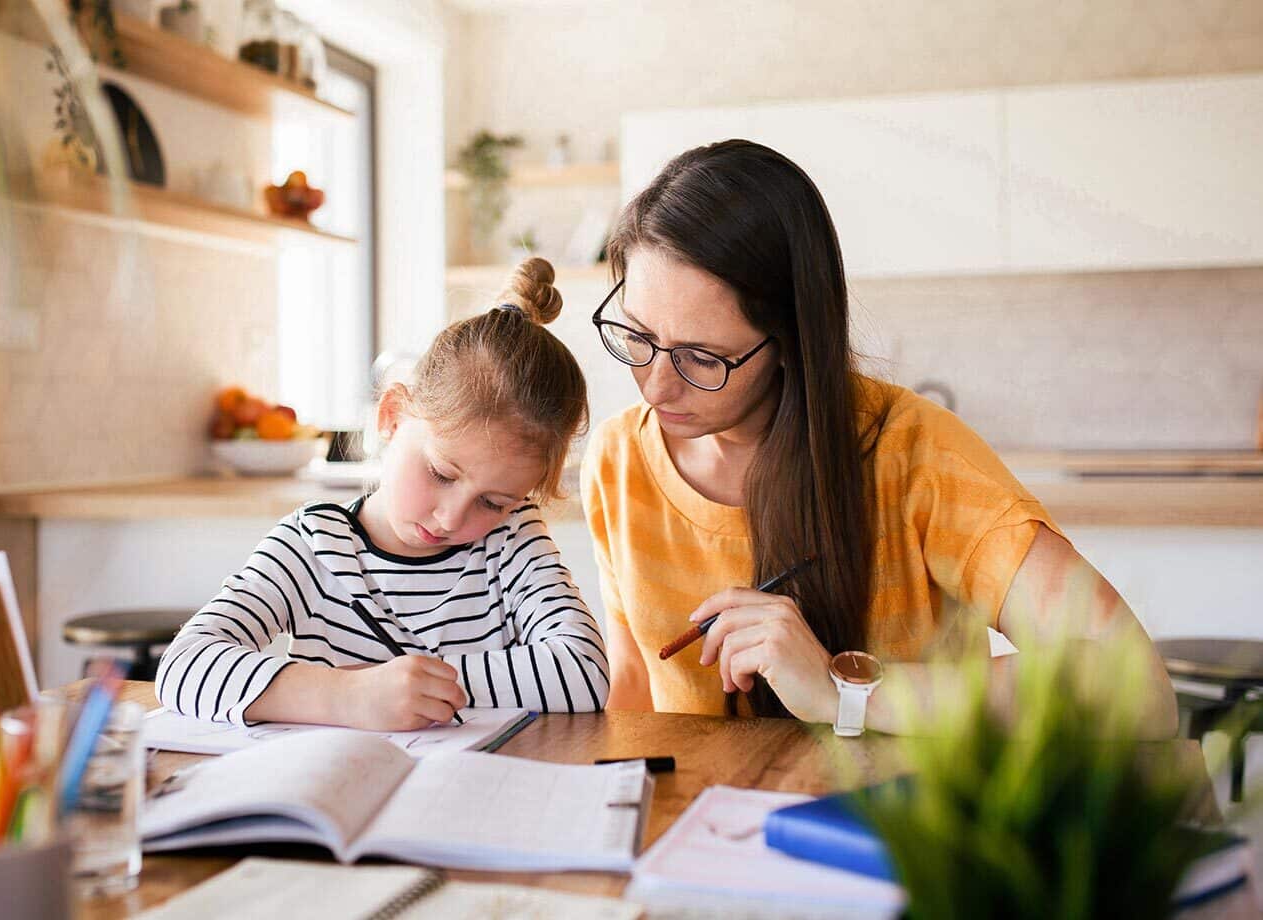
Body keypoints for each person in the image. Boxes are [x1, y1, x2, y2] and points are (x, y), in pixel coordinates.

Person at [580, 140, 1176, 737]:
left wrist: (843, 690)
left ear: (789, 340)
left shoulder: (915, 455)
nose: (655, 388)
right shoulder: (616, 459)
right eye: (636, 335)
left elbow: (1137, 688)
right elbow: (634, 696)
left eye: (702, 358)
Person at [157, 258, 608, 730]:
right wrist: (346, 695)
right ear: (392, 416)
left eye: (493, 502)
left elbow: (585, 670)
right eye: (441, 473)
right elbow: (184, 665)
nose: (452, 519)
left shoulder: (512, 539)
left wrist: (408, 686)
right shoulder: (312, 545)